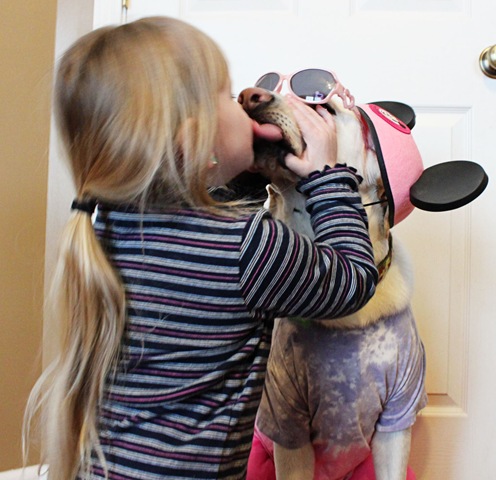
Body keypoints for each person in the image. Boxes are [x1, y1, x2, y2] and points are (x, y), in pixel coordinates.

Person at [23, 16, 378, 480]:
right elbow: (352, 280)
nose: (246, 100)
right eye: (227, 96)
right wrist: (330, 177)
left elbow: (206, 220)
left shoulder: (103, 225)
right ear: (195, 141)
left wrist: (247, 168)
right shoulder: (248, 248)